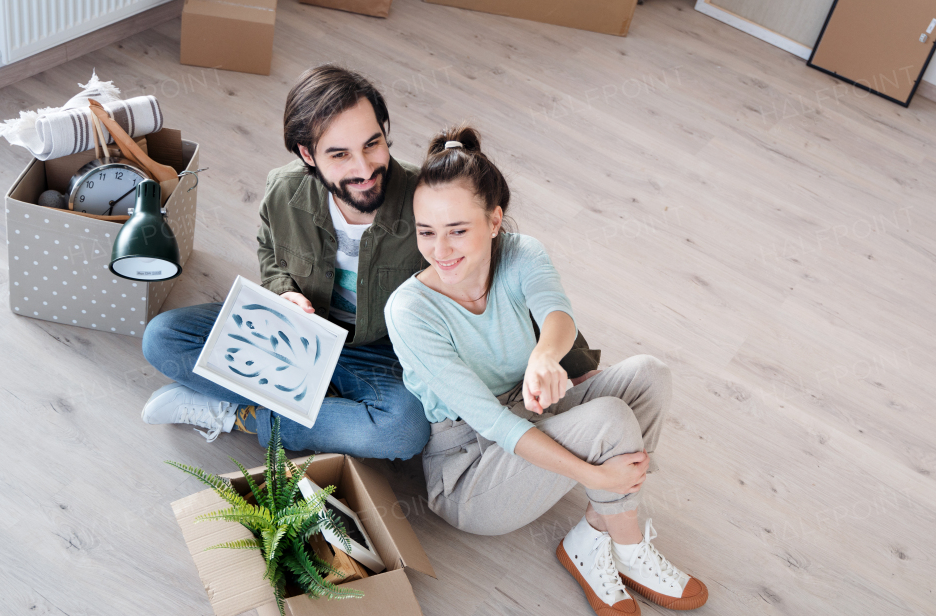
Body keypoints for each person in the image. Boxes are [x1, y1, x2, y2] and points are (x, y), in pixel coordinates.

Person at [140, 65, 600, 460]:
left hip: (385, 353)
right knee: (163, 337)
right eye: (339, 155)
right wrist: (284, 292)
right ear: (308, 155)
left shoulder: (426, 198)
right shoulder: (283, 190)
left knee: (403, 431)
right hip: (303, 333)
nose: (363, 167)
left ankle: (241, 415)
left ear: (385, 132)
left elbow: (503, 263)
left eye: (372, 144)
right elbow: (269, 249)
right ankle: (326, 404)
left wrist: (569, 357)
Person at [384, 126, 707, 616]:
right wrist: (596, 476)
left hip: (535, 407)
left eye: (458, 230)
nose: (440, 249)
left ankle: (594, 532)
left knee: (649, 374)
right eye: (426, 231)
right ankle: (628, 543)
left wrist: (544, 357)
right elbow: (493, 422)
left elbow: (557, 314)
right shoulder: (409, 311)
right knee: (607, 420)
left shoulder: (521, 253)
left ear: (494, 221)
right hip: (472, 470)